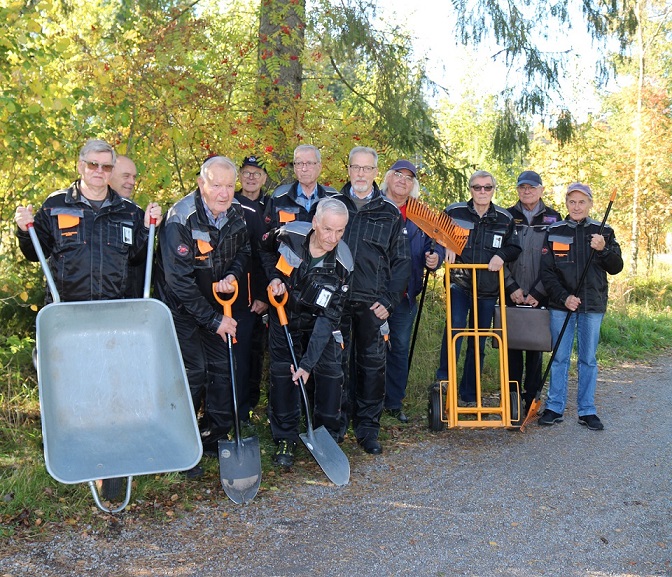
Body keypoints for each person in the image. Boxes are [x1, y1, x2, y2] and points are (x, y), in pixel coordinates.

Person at [154, 156, 250, 477]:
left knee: (222, 367)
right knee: (192, 371)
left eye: (229, 185)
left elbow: (243, 253)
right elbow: (177, 282)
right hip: (180, 309)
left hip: (214, 305)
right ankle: (179, 444)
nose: (224, 193)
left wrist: (234, 276)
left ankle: (211, 437)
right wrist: (213, 320)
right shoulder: (179, 219)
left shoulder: (235, 214)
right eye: (216, 185)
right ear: (201, 183)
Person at [260, 198, 353, 467]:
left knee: (330, 375)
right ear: (315, 223)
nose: (332, 238)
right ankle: (285, 437)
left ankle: (327, 435)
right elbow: (264, 249)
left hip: (317, 322)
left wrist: (308, 364)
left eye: (340, 231)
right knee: (284, 372)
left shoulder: (343, 266)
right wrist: (273, 278)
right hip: (283, 314)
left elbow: (328, 318)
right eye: (327, 229)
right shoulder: (290, 234)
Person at [14, 139, 162, 303]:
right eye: (93, 164)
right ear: (80, 166)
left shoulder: (130, 211)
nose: (99, 171)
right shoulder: (55, 205)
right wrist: (25, 231)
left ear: (111, 172)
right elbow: (35, 253)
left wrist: (148, 228)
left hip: (116, 311)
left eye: (106, 167)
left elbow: (137, 258)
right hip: (67, 310)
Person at [339, 146, 411, 455]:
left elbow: (402, 263)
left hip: (372, 304)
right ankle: (334, 427)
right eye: (356, 167)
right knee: (335, 367)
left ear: (375, 173)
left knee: (371, 368)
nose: (361, 174)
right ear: (349, 169)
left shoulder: (389, 212)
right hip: (336, 303)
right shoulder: (331, 205)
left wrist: (389, 300)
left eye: (367, 169)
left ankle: (367, 430)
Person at [539, 182, 623, 430]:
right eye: (572, 202)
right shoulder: (554, 231)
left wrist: (604, 250)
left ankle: (587, 410)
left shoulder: (604, 231)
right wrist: (565, 297)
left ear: (591, 204)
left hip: (592, 306)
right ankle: (554, 407)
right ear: (566, 204)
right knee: (559, 358)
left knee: (587, 359)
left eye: (582, 202)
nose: (576, 206)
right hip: (561, 306)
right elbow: (547, 272)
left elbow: (616, 267)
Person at [435, 170, 521, 405]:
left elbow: (515, 247)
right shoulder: (454, 212)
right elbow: (435, 234)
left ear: (493, 190)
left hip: (487, 288)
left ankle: (469, 394)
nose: (482, 192)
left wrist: (501, 255)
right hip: (460, 283)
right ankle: (444, 384)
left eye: (487, 187)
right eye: (477, 187)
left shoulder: (504, 218)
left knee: (478, 340)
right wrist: (445, 244)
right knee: (454, 331)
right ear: (470, 189)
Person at [380, 160, 444, 423]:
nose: (402, 181)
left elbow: (437, 243)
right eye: (398, 175)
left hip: (405, 296)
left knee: (399, 348)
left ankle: (394, 403)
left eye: (409, 178)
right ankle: (367, 401)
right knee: (369, 349)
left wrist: (435, 258)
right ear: (388, 178)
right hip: (374, 295)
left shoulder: (421, 215)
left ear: (413, 185)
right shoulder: (376, 205)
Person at [504, 171, 561, 416]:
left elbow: (558, 261)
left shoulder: (554, 218)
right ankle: (512, 399)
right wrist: (511, 288)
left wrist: (539, 291)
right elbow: (500, 255)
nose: (527, 191)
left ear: (541, 189)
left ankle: (532, 399)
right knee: (512, 348)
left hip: (541, 293)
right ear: (517, 190)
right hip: (512, 292)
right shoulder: (506, 216)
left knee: (535, 351)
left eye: (532, 187)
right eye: (522, 187)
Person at [234, 155, 270, 417]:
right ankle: (238, 405)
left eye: (256, 174)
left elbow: (267, 254)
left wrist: (263, 293)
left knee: (257, 350)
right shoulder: (230, 201)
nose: (251, 178)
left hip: (261, 291)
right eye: (247, 173)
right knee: (240, 350)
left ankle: (251, 402)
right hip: (234, 293)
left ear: (264, 178)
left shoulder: (271, 206)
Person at [263, 144, 338, 232]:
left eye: (309, 163)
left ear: (319, 167)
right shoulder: (279, 197)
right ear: (294, 168)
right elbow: (267, 234)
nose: (304, 169)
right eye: (299, 163)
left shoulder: (332, 198)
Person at [109, 155, 144, 298]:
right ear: (109, 174)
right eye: (126, 176)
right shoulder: (84, 211)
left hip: (129, 304)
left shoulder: (136, 213)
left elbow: (139, 259)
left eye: (134, 177)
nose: (132, 182)